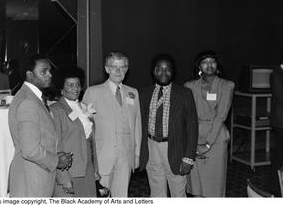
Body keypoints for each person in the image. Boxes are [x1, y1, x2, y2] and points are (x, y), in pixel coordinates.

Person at [8, 53, 73, 197]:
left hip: (35, 177)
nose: (49, 75)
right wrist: (57, 160)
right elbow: (30, 150)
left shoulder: (30, 97)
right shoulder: (28, 102)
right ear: (30, 75)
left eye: (49, 70)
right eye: (43, 71)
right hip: (32, 180)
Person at [83, 51, 142, 197]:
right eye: (114, 67)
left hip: (126, 157)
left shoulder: (132, 93)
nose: (118, 71)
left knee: (121, 197)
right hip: (102, 157)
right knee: (100, 197)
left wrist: (136, 155)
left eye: (122, 67)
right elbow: (84, 129)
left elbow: (137, 126)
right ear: (106, 69)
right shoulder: (93, 92)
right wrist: (89, 160)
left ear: (127, 69)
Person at [139, 54, 198, 197]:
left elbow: (192, 127)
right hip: (151, 146)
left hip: (175, 147)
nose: (163, 73)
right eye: (159, 69)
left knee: (178, 190)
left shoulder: (184, 94)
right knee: (156, 190)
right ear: (153, 71)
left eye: (168, 69)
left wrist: (188, 157)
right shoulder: (143, 93)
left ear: (173, 72)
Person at [184, 50, 234, 197]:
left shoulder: (227, 85)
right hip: (194, 137)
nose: (209, 65)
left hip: (216, 138)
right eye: (205, 62)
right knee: (196, 186)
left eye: (212, 61)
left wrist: (207, 144)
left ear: (217, 65)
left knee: (214, 187)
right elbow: (186, 115)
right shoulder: (189, 86)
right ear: (199, 66)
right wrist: (190, 143)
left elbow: (221, 116)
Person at [50, 67, 100, 197]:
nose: (75, 89)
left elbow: (90, 141)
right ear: (61, 88)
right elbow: (56, 146)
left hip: (87, 170)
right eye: (70, 85)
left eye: (77, 85)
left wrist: (95, 169)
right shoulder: (56, 109)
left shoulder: (83, 106)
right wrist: (63, 178)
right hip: (70, 172)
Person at [269, 62, 283, 196]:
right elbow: (280, 98)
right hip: (281, 122)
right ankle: (274, 188)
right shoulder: (277, 74)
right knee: (279, 156)